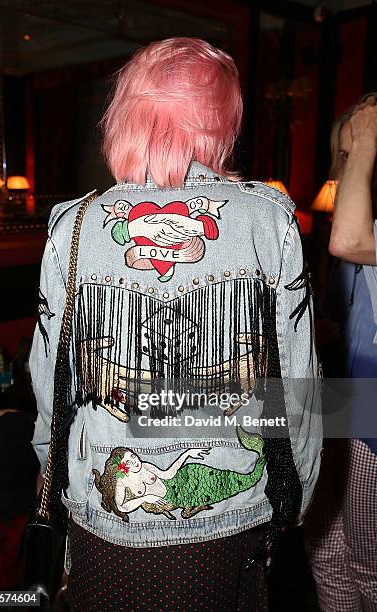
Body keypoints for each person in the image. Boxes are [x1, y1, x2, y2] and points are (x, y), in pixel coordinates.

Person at [29, 37, 321, 611]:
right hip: (231, 515)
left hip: (100, 512)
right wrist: (294, 498)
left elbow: (49, 381)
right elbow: (296, 386)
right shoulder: (268, 219)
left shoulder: (75, 223)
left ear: (127, 114)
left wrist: (54, 478)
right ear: (219, 121)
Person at [305, 94, 377, 611]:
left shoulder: (359, 227)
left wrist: (365, 144)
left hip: (372, 418)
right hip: (340, 401)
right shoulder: (361, 211)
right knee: (324, 548)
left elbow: (348, 240)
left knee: (368, 564)